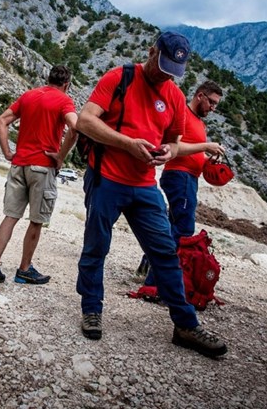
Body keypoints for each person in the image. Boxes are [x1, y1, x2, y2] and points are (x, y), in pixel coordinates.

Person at [74, 31, 227, 358]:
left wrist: (167, 152)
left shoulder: (173, 95)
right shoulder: (119, 77)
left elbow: (174, 140)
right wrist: (127, 143)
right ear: (151, 50)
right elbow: (85, 121)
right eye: (164, 65)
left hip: (145, 185)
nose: (166, 75)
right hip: (106, 178)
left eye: (174, 70)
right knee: (96, 246)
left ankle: (185, 324)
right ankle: (91, 308)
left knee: (166, 252)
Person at [0, 65, 78, 285]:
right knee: (36, 221)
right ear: (67, 84)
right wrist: (60, 156)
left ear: (48, 78)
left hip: (19, 165)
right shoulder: (64, 100)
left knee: (10, 216)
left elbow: (2, 120)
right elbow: (75, 127)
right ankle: (24, 269)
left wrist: (7, 152)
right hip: (42, 167)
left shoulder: (29, 95)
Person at [135, 80, 225, 283]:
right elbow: (172, 147)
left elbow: (193, 152)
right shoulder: (183, 114)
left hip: (189, 178)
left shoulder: (200, 124)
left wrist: (208, 160)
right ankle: (157, 281)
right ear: (200, 95)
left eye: (216, 105)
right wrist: (205, 146)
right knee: (183, 229)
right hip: (179, 176)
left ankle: (149, 265)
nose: (213, 108)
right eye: (211, 102)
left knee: (170, 226)